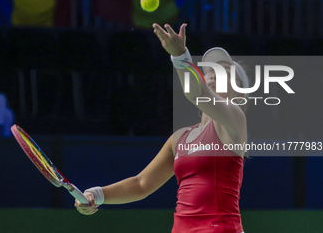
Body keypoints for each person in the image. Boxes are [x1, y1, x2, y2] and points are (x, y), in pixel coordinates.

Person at [75, 23, 249, 233]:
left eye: (225, 72)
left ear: (240, 95)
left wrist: (180, 56)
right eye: (210, 71)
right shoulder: (180, 138)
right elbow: (141, 184)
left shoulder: (235, 121)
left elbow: (196, 93)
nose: (213, 74)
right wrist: (96, 195)